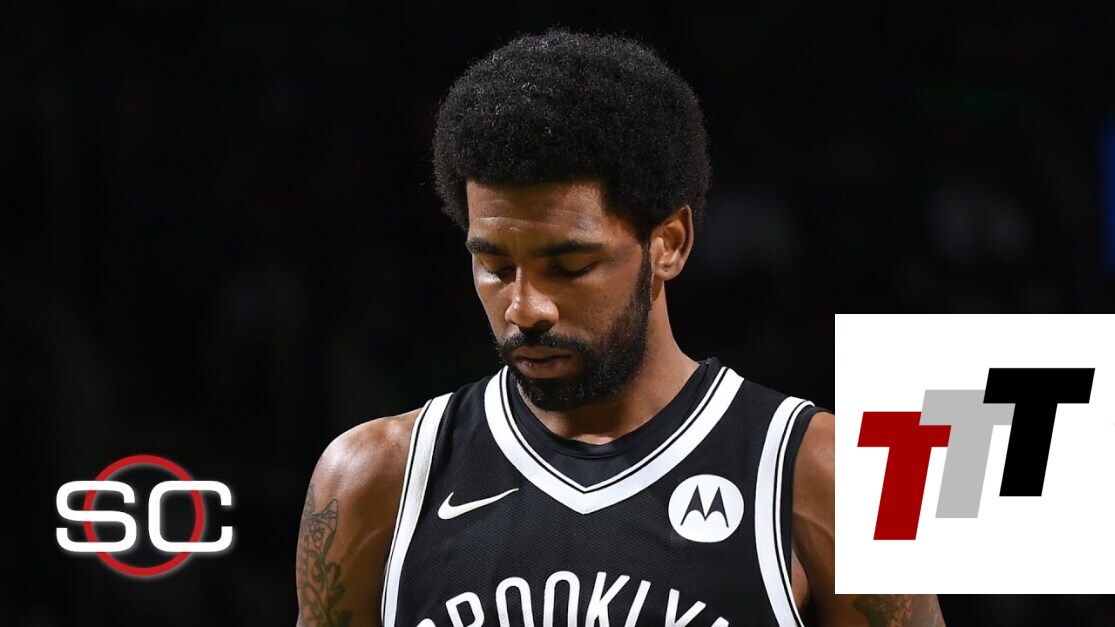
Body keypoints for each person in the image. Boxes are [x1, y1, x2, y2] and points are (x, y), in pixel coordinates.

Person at [295, 29, 945, 627]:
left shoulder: (827, 476)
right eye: (495, 266)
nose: (525, 308)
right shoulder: (374, 478)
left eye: (569, 266)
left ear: (669, 243)